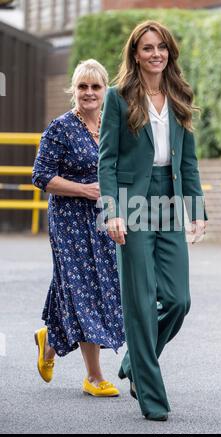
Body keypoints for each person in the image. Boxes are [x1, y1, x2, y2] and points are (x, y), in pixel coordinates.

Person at [98, 21, 208, 420]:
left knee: (178, 300)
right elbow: (106, 160)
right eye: (147, 48)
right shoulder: (118, 97)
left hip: (169, 200)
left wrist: (196, 210)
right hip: (131, 202)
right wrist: (111, 212)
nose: (155, 53)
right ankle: (152, 397)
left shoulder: (179, 94)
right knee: (141, 305)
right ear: (136, 54)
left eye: (161, 47)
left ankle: (132, 366)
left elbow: (189, 161)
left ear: (169, 52)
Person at [32, 59, 125, 397]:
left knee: (79, 285)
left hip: (104, 219)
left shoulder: (110, 126)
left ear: (105, 91)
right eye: (82, 87)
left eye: (95, 87)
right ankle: (94, 376)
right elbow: (41, 176)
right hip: (69, 221)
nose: (88, 93)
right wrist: (84, 189)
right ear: (74, 89)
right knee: (87, 288)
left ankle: (49, 342)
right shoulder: (60, 127)